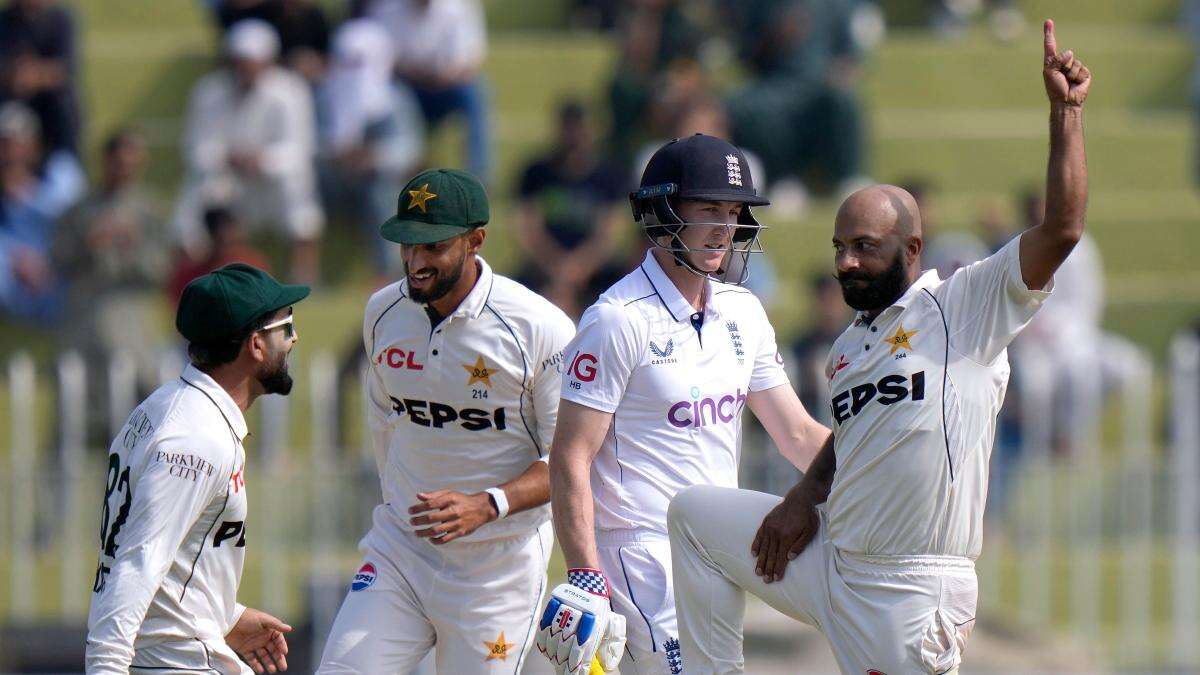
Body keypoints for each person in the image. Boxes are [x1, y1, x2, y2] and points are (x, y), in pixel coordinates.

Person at [665, 21, 1091, 674]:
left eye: (864, 246)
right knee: (694, 517)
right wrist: (803, 497)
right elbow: (850, 438)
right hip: (834, 561)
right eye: (839, 247)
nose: (846, 261)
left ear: (912, 250)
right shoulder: (847, 347)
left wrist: (1065, 116)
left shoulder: (965, 304)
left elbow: (1061, 228)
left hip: (910, 590)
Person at [535, 133, 830, 675]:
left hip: (716, 546)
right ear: (662, 213)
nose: (725, 226)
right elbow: (571, 457)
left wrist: (880, 474)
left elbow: (797, 435)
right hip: (638, 554)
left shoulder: (743, 311)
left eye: (735, 210)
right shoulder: (616, 319)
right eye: (708, 209)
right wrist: (584, 575)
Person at [318, 169, 575, 673]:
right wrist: (399, 506)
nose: (415, 262)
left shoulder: (538, 327)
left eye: (432, 246)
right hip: (400, 553)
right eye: (406, 245)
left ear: (475, 240)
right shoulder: (381, 313)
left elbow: (569, 458)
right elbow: (385, 423)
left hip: (497, 569)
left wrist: (488, 504)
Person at [85, 262, 309, 673]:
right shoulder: (195, 440)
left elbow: (170, 552)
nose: (294, 339)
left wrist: (225, 615)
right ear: (256, 345)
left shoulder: (168, 407)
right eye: (287, 327)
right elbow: (137, 562)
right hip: (179, 663)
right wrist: (105, 667)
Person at [172, 19, 324, 284]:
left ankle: (305, 275)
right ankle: (191, 275)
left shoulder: (290, 91)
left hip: (271, 181)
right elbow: (196, 149)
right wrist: (228, 158)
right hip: (229, 180)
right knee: (196, 192)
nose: (246, 71)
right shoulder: (209, 92)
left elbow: (300, 149)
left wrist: (263, 161)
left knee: (296, 186)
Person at [514, 100, 628, 317]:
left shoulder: (610, 175)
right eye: (570, 127)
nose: (576, 135)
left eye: (581, 127)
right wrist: (555, 266)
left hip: (595, 271)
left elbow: (609, 234)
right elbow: (527, 228)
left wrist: (577, 268)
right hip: (543, 268)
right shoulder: (537, 172)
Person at [361, 0, 491, 182]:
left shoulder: (458, 7)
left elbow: (469, 61)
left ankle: (478, 175)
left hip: (447, 88)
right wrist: (416, 73)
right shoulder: (386, 10)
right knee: (391, 92)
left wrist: (443, 75)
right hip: (406, 88)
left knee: (475, 90)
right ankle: (405, 165)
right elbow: (380, 64)